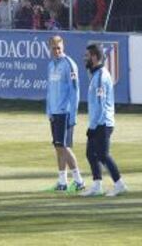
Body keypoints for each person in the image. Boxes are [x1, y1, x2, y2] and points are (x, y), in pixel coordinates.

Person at [81, 44, 127, 197]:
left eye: (87, 55)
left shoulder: (101, 76)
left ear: (94, 57)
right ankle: (97, 185)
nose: (85, 58)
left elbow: (100, 104)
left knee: (103, 154)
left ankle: (119, 184)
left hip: (103, 123)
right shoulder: (95, 74)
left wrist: (93, 127)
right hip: (97, 122)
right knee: (90, 153)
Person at [46, 35, 84, 192]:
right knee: (58, 146)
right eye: (54, 48)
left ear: (63, 47)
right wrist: (48, 109)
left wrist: (73, 114)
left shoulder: (69, 64)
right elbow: (50, 90)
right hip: (54, 111)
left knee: (64, 146)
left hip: (65, 112)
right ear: (50, 48)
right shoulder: (50, 65)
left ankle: (79, 180)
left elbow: (75, 91)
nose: (56, 51)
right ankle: (62, 181)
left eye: (59, 48)